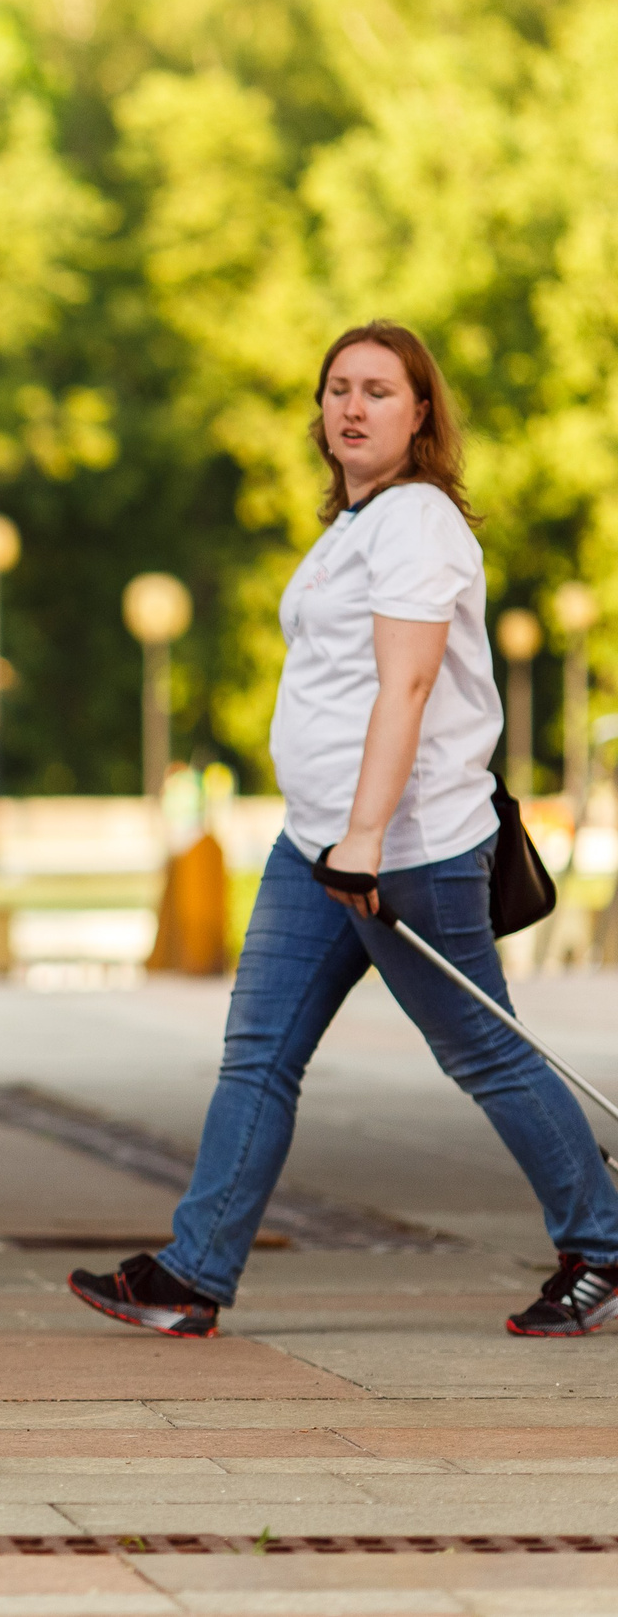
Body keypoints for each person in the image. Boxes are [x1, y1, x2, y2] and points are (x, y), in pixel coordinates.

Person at [72, 321, 618, 1341]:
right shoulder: (353, 527)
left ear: (421, 414)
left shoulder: (416, 522)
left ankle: (604, 1242)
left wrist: (365, 838)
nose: (352, 407)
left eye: (378, 390)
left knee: (483, 1052)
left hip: (405, 849)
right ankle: (192, 1273)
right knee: (258, 1054)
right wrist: (335, 835)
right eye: (337, 389)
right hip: (314, 846)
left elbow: (407, 685)